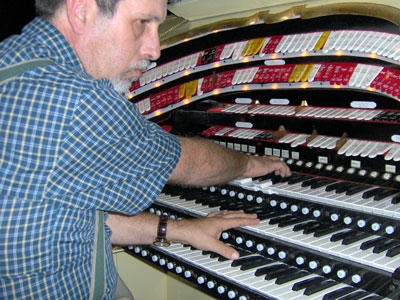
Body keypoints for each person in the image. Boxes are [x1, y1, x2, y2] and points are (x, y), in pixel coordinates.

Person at [0, 0, 291, 299]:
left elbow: (72, 210)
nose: (155, 50)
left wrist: (176, 229)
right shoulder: (78, 102)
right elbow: (192, 164)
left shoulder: (14, 58)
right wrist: (247, 164)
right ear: (81, 11)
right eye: (142, 23)